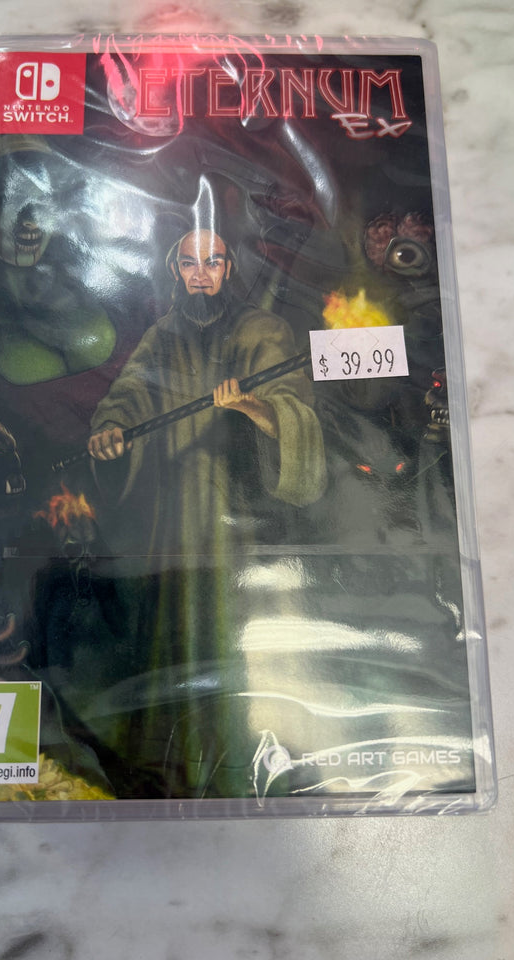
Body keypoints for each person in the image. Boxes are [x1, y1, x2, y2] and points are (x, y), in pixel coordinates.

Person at [82, 228, 326, 797]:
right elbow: (127, 397)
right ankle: (166, 772)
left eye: (212, 262)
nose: (201, 274)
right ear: (175, 270)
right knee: (167, 644)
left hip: (247, 527)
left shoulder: (263, 331)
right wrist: (111, 432)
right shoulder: (162, 336)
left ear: (228, 268)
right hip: (171, 525)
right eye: (189, 263)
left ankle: (248, 769)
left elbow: (294, 407)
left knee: (246, 643)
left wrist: (255, 407)